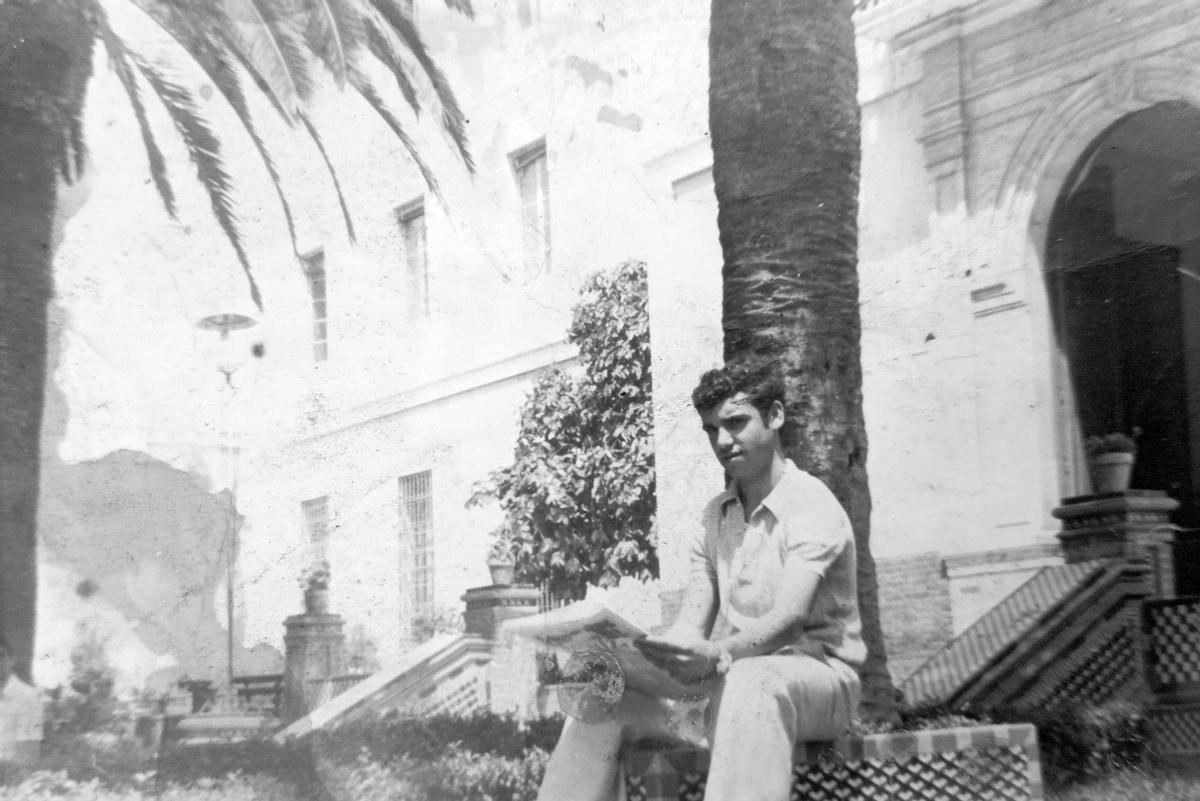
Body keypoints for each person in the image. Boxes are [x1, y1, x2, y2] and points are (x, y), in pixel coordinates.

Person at [536, 356, 863, 801]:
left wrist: (715, 655)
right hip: (728, 694)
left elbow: (789, 618)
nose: (723, 440)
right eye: (711, 429)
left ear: (775, 416)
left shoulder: (810, 503)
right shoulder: (715, 517)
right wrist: (655, 657)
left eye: (735, 422)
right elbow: (692, 623)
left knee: (753, 681)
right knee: (601, 700)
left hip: (821, 686)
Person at [0, 639, 43, 764]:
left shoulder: (28, 698)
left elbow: (28, 757)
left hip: (7, 778)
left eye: (1, 655)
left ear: (12, 659)